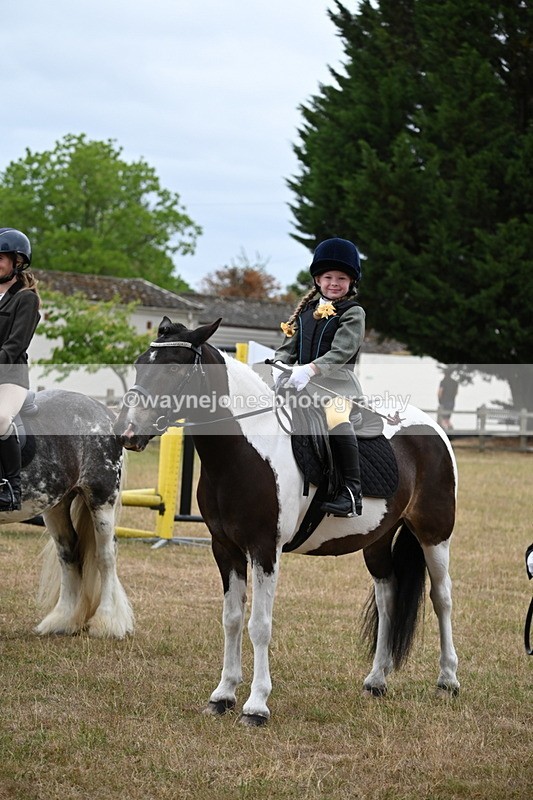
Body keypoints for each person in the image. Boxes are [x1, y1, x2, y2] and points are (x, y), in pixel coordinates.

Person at [274, 237, 365, 517]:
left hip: (337, 389)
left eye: (341, 278)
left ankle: (352, 492)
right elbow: (287, 349)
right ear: (317, 280)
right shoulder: (304, 313)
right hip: (300, 386)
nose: (334, 283)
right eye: (328, 277)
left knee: (336, 419)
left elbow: (341, 352)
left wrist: (310, 369)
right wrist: (278, 365)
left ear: (351, 282)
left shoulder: (353, 313)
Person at [0, 228, 40, 511]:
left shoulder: (26, 299)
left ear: (17, 262)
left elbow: (14, 347)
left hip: (10, 378)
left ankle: (11, 488)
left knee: (0, 418)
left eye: (0, 258)